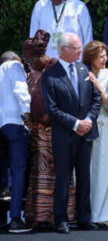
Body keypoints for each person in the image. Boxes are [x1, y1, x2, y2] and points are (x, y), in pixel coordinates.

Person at [42, 33, 102, 233]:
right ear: (63, 50)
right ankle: (61, 220)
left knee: (84, 177)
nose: (80, 51)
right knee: (64, 178)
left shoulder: (84, 69)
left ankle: (84, 218)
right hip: (64, 136)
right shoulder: (50, 75)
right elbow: (52, 108)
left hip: (86, 134)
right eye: (76, 47)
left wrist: (89, 120)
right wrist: (75, 123)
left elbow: (96, 99)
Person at [22, 31, 77, 229]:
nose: (29, 64)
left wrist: (49, 116)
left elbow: (65, 97)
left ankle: (58, 214)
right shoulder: (32, 73)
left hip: (54, 130)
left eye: (31, 60)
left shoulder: (55, 68)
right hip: (36, 131)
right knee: (38, 174)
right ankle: (39, 214)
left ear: (41, 57)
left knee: (55, 173)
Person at [83, 41, 108, 225]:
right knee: (83, 170)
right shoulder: (81, 72)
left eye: (105, 56)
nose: (105, 59)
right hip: (83, 126)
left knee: (103, 170)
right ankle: (84, 213)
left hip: (104, 125)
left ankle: (102, 215)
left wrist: (98, 85)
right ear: (91, 58)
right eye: (101, 57)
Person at [0, 51, 32, 234]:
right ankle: (15, 219)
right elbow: (21, 91)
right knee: (18, 170)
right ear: (14, 59)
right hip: (14, 123)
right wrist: (27, 115)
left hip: (1, 125)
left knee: (4, 170)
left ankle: (3, 217)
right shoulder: (14, 66)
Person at [29, 0, 93, 60]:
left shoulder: (79, 7)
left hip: (74, 62)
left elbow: (88, 38)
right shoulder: (40, 6)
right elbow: (33, 37)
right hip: (48, 62)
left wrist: (86, 63)